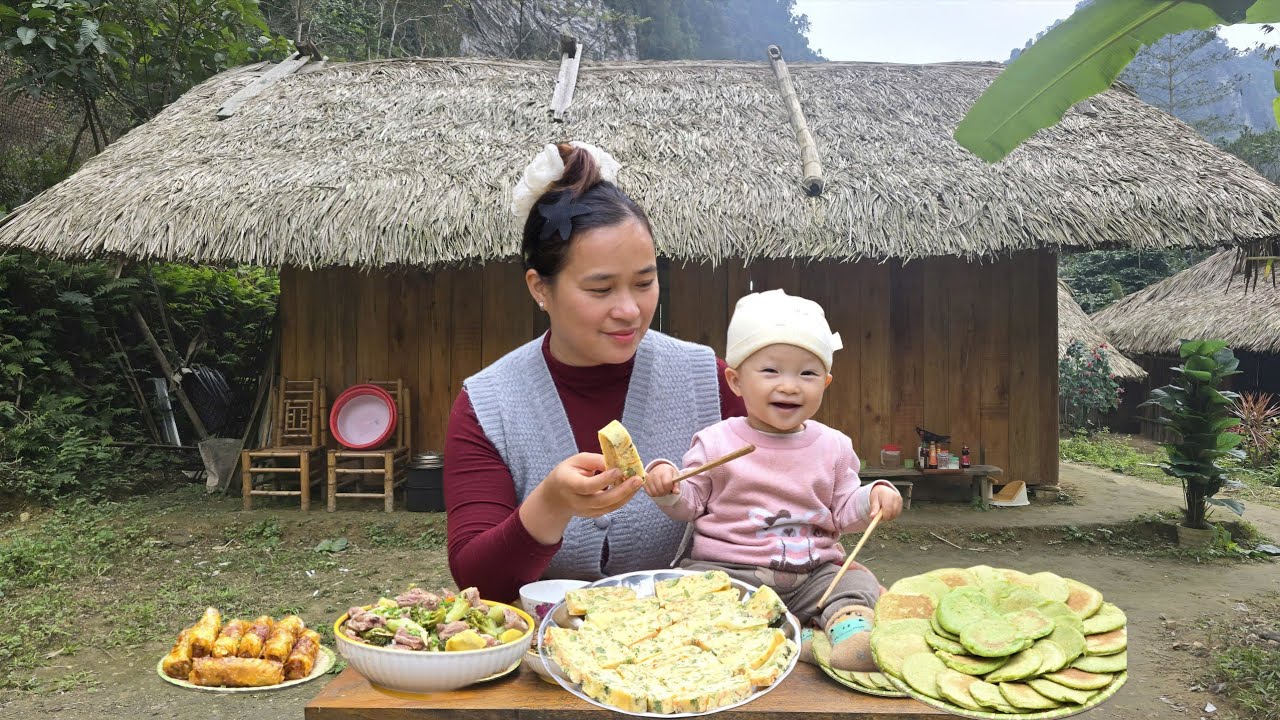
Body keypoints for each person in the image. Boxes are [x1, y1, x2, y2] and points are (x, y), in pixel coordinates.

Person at [444, 141, 746, 603]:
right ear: (539, 288)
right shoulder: (489, 405)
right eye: (600, 289)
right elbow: (476, 579)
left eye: (645, 282)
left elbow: (780, 485)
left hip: (694, 648)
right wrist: (550, 505)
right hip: (546, 662)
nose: (629, 310)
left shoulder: (709, 381)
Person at [643, 289, 903, 672]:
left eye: (807, 373)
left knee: (856, 584)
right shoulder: (716, 441)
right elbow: (689, 504)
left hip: (814, 576)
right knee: (689, 590)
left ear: (825, 384)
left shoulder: (833, 446)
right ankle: (798, 638)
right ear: (735, 381)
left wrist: (874, 497)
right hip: (732, 573)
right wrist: (668, 487)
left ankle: (846, 635)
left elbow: (845, 511)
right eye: (770, 371)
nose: (790, 385)